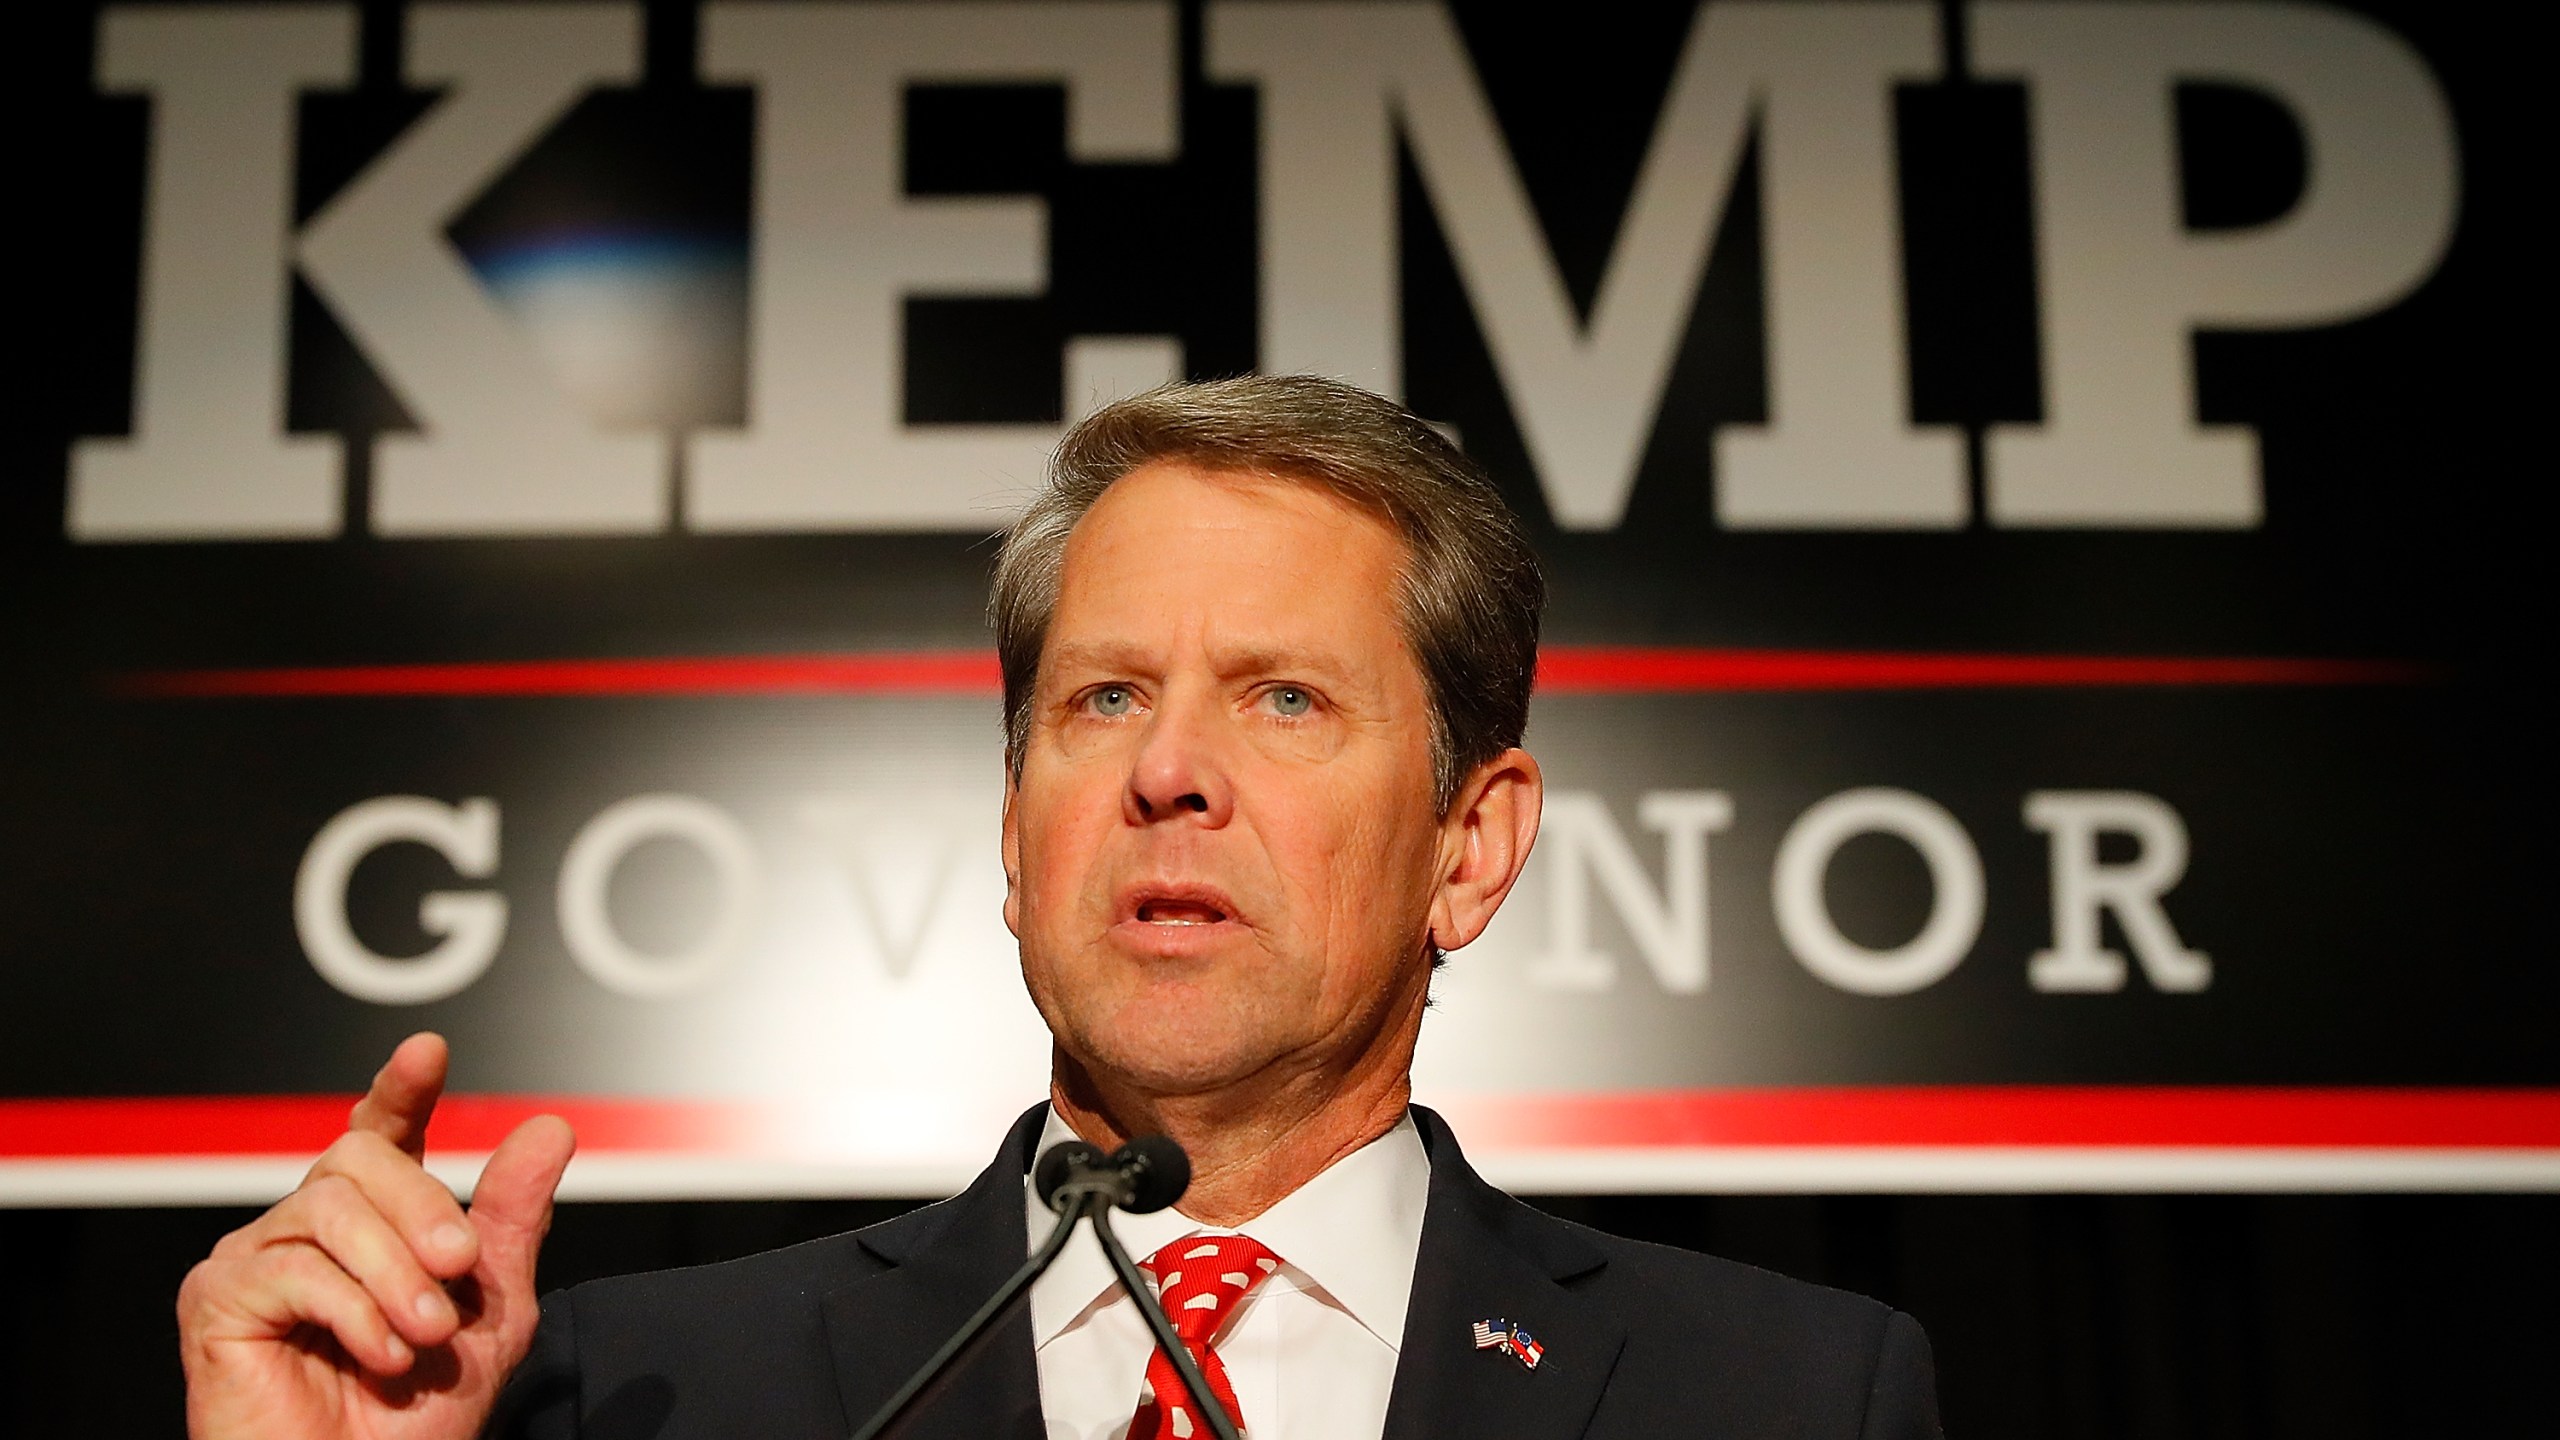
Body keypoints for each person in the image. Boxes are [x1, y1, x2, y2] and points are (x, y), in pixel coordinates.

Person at [177, 376, 1942, 1439]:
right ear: (1017, 841)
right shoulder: (640, 1394)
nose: (1169, 773)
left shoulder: (1784, 1393)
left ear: (1468, 849)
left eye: (1284, 699)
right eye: (1101, 701)